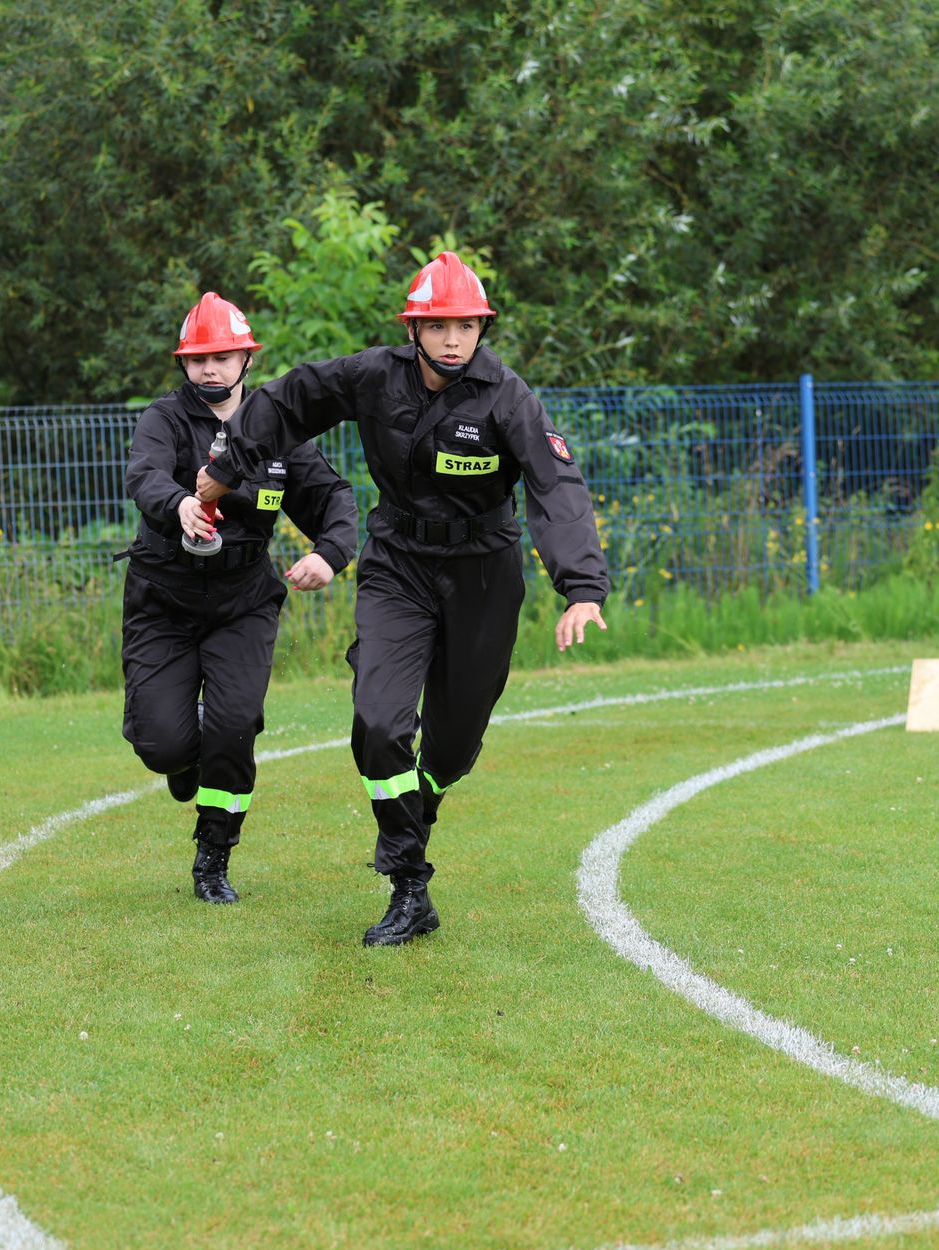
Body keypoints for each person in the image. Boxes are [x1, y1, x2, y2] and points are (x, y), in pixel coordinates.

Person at [197, 252, 609, 945]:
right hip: (398, 565)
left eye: (468, 326)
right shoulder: (372, 377)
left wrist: (582, 586)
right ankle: (409, 885)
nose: (454, 339)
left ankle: (428, 801)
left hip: (483, 573)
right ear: (414, 329)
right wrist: (227, 467)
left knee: (449, 748)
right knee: (381, 723)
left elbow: (555, 485)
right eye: (439, 325)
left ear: (483, 329)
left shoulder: (507, 397)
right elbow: (286, 400)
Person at [120, 292, 357, 904]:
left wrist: (328, 556)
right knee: (163, 743)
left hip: (244, 600)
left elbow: (333, 498)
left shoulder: (279, 429)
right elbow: (145, 475)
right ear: (184, 365)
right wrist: (177, 504)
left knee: (232, 726)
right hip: (163, 597)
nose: (210, 370)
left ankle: (213, 856)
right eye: (198, 359)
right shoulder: (164, 420)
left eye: (223, 357)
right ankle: (180, 759)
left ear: (246, 360)